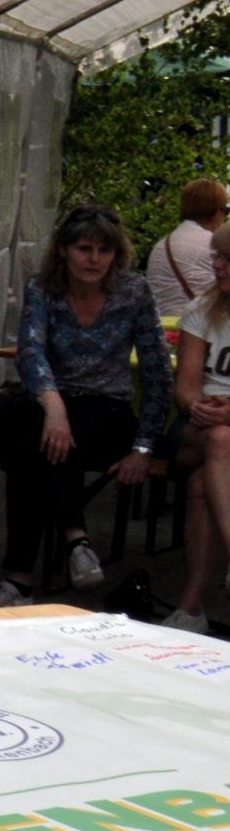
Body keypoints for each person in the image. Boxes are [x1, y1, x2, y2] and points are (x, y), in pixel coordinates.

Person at [0, 207, 171, 606]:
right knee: (28, 424)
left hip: (109, 412)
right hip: (53, 408)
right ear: (64, 250)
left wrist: (144, 447)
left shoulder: (133, 292)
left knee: (32, 445)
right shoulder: (42, 289)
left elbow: (156, 372)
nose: (95, 259)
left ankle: (19, 582)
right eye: (85, 248)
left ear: (118, 255)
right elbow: (30, 352)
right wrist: (55, 407)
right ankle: (76, 541)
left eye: (105, 250)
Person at [164, 223, 230, 632]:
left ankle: (190, 610)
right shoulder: (202, 310)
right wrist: (202, 408)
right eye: (216, 258)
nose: (217, 266)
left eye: (226, 260)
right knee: (221, 439)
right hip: (197, 430)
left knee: (201, 488)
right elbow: (185, 389)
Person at [146, 177, 227, 316]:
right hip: (196, 330)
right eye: (226, 211)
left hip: (163, 330)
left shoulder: (161, 245)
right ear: (217, 213)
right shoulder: (214, 244)